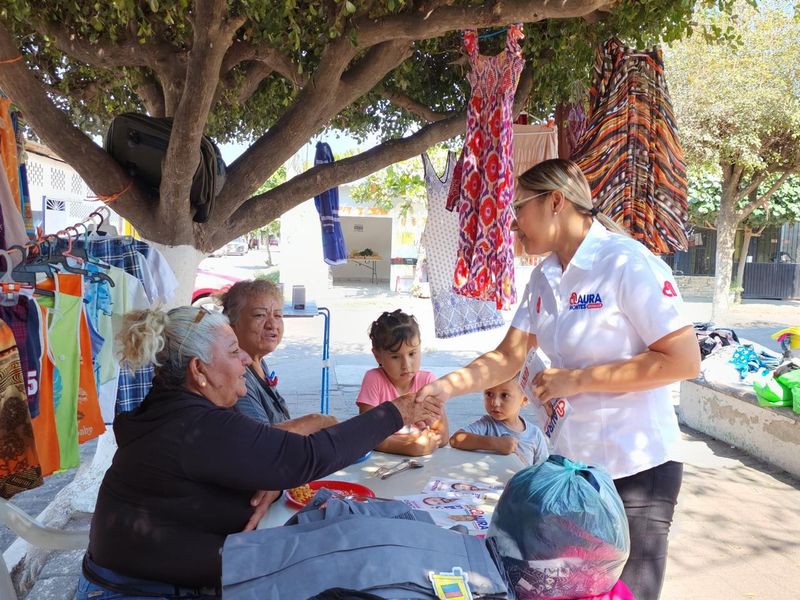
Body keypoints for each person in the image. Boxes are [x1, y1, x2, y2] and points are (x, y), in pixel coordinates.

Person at [417, 159, 701, 600]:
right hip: (573, 472)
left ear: (555, 202)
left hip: (635, 471)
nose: (513, 226)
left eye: (518, 210)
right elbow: (509, 356)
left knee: (626, 594)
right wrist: (443, 388)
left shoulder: (624, 263)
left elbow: (683, 360)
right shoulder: (544, 276)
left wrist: (577, 379)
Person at [76, 306, 442, 600]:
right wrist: (399, 411)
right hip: (134, 591)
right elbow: (305, 456)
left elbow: (263, 457)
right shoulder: (195, 426)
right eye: (234, 352)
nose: (246, 362)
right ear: (199, 370)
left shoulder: (177, 410)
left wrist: (266, 475)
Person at [220, 279, 334, 434]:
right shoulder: (236, 376)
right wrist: (317, 421)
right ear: (232, 324)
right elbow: (260, 439)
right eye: (260, 315)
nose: (272, 324)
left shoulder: (258, 361)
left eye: (278, 315)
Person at [356, 310, 449, 456]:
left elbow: (442, 437)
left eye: (412, 353)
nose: (406, 365)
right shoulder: (373, 380)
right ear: (377, 356)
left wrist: (421, 443)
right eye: (395, 357)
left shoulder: (428, 382)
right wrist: (410, 447)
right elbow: (366, 435)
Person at [450, 376, 548, 467]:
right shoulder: (487, 425)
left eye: (504, 395)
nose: (495, 403)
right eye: (489, 394)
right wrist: (495, 443)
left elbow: (544, 469)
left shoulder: (535, 434)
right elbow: (456, 439)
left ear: (524, 400)